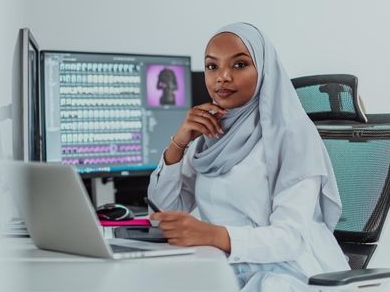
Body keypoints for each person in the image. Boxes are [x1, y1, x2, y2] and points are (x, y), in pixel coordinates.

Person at [147, 22, 349, 291]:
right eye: (212, 66)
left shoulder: (291, 134)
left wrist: (214, 235)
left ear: (264, 70)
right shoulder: (211, 134)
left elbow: (291, 239)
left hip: (289, 272)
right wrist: (179, 142)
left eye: (239, 65)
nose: (222, 77)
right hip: (226, 267)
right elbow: (162, 213)